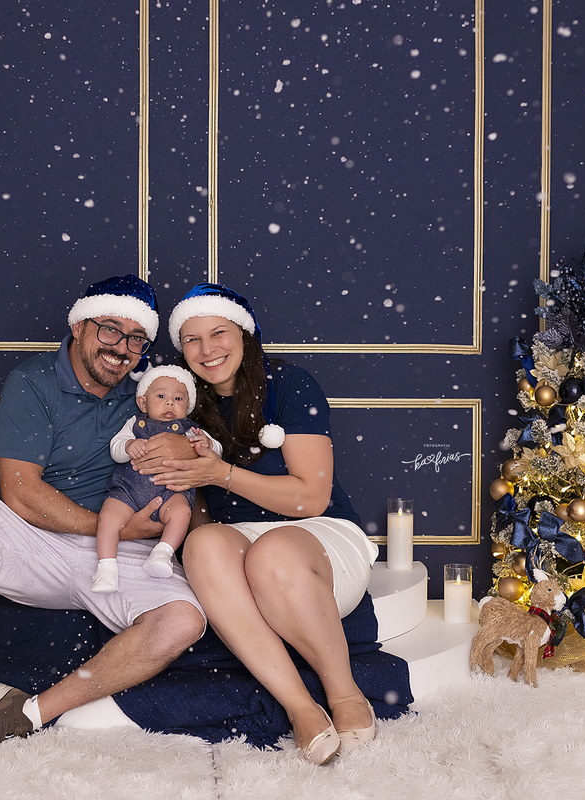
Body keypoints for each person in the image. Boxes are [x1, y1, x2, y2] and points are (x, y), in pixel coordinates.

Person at [0, 275, 206, 757]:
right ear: (79, 326)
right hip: (39, 541)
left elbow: (195, 458)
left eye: (135, 338)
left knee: (183, 622)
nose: (121, 349)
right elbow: (21, 493)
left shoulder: (153, 392)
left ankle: (29, 712)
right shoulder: (33, 380)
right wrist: (111, 528)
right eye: (110, 329)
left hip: (127, 555)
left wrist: (183, 457)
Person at [149, 282, 380, 765]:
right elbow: (199, 505)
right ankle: (300, 706)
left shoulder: (290, 383)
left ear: (244, 334)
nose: (207, 350)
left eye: (218, 333)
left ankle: (343, 692)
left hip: (320, 533)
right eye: (192, 340)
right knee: (202, 545)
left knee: (273, 551)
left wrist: (222, 474)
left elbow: (312, 496)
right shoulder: (184, 403)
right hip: (244, 540)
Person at [92, 364, 222, 593]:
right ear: (143, 403)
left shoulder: (190, 430)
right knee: (109, 517)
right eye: (161, 396)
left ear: (188, 407)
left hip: (171, 491)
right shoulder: (135, 424)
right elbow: (116, 448)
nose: (169, 403)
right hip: (129, 491)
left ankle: (163, 553)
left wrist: (207, 444)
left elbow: (217, 452)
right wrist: (128, 446)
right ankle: (106, 567)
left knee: (182, 512)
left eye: (178, 399)